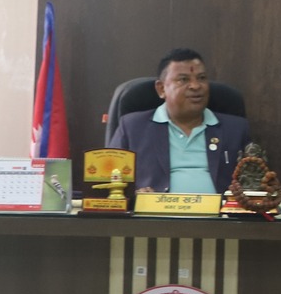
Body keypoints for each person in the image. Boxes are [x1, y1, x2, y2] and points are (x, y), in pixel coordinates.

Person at [106, 49, 251, 193]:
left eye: (201, 78)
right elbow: (107, 181)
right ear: (161, 89)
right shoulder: (132, 127)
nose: (196, 86)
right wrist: (134, 196)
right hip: (155, 208)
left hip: (219, 208)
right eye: (184, 79)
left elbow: (253, 183)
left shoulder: (236, 129)